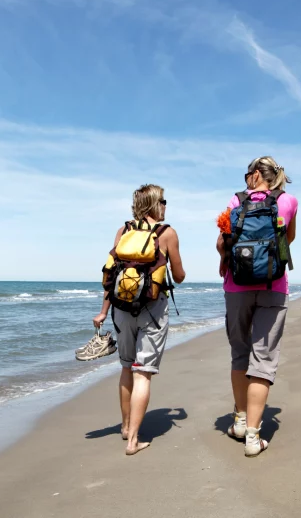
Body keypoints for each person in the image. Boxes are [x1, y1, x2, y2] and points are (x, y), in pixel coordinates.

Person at [93, 184, 186, 455]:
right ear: (155, 204)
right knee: (142, 373)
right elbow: (179, 276)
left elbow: (112, 277)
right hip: (152, 311)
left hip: (121, 309)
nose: (166, 206)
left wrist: (102, 311)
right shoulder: (167, 233)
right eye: (164, 201)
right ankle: (134, 441)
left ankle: (124, 427)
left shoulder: (123, 232)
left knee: (125, 368)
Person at [216, 156, 297, 457]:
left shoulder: (234, 201)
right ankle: (253, 437)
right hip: (273, 286)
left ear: (252, 176)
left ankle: (239, 421)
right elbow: (288, 239)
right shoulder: (288, 201)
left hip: (235, 286)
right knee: (262, 361)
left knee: (240, 353)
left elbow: (221, 242)